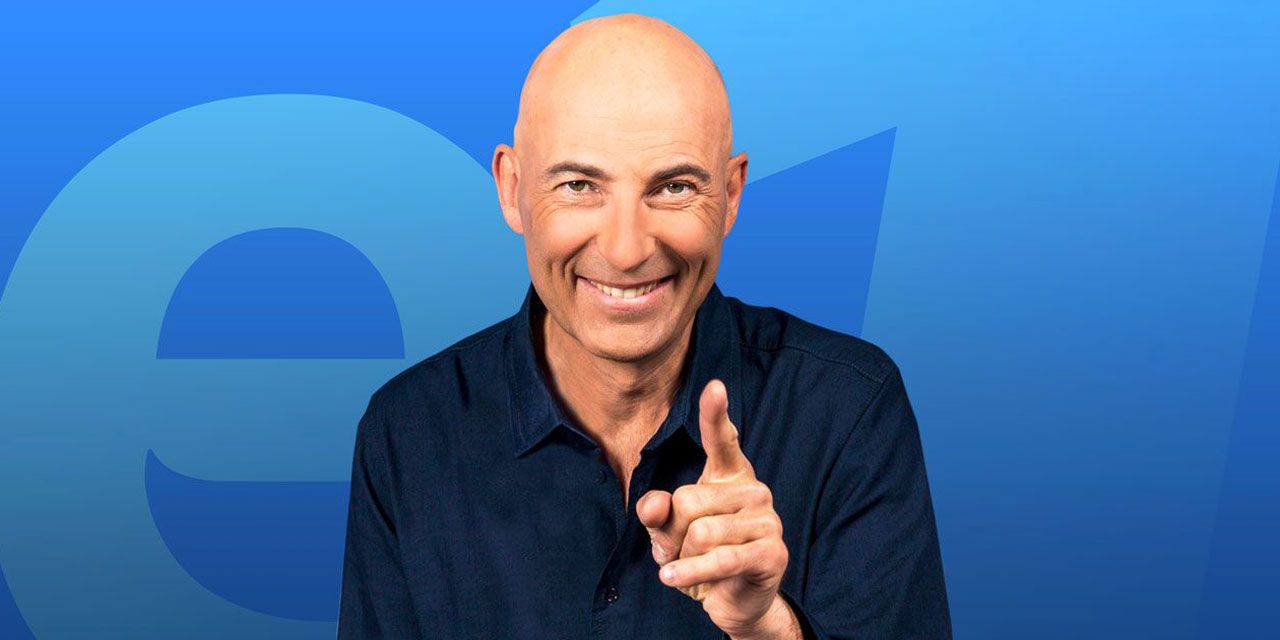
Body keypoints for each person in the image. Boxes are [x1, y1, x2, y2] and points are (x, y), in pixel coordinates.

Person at [337, 12, 950, 640]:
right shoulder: (407, 432)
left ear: (731, 196)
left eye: (674, 188)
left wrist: (767, 627)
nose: (627, 250)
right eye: (579, 185)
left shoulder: (848, 409)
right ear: (511, 188)